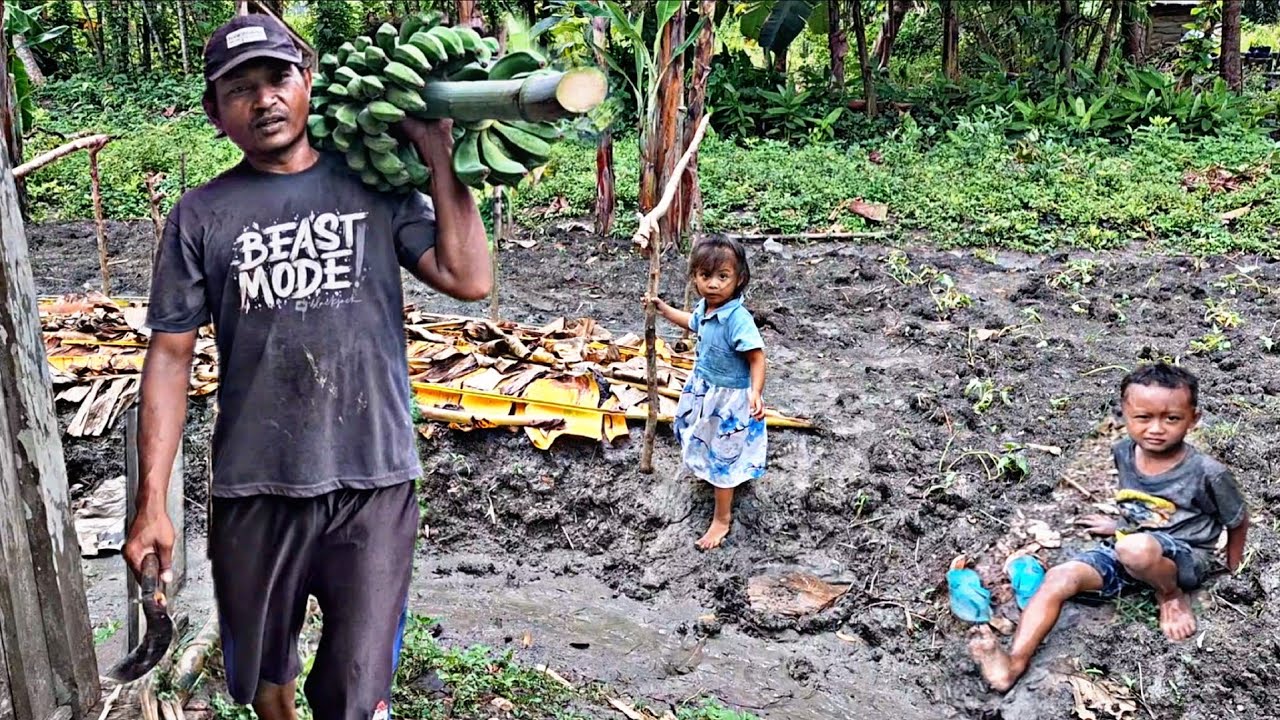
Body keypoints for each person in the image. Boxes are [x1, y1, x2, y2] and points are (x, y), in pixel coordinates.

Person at [121, 14, 489, 720]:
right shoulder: (200, 215)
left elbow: (467, 276)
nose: (263, 100)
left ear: (308, 82)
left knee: (357, 692)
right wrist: (152, 505)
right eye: (240, 88)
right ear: (214, 112)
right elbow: (169, 357)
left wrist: (440, 157)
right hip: (255, 484)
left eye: (278, 78)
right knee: (266, 681)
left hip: (373, 482)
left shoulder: (374, 186)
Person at [969, 362, 1250, 693]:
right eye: (1143, 418)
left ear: (1193, 419)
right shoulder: (1124, 453)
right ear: (1125, 415)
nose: (1156, 428)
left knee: (1134, 547)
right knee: (1060, 576)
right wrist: (1119, 524)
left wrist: (1232, 566)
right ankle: (1011, 666)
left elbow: (1238, 519)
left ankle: (1170, 597)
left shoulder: (1208, 472)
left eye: (1171, 418)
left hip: (1183, 559)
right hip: (1131, 549)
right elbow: (1142, 502)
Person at [647, 237, 767, 550]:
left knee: (724, 457)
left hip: (729, 400)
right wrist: (664, 309)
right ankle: (712, 474)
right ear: (695, 277)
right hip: (705, 389)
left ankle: (722, 518)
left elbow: (757, 356)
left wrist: (755, 392)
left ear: (739, 279)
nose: (712, 284)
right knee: (698, 433)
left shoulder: (737, 320)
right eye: (705, 276)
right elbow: (694, 322)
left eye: (722, 277)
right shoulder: (707, 307)